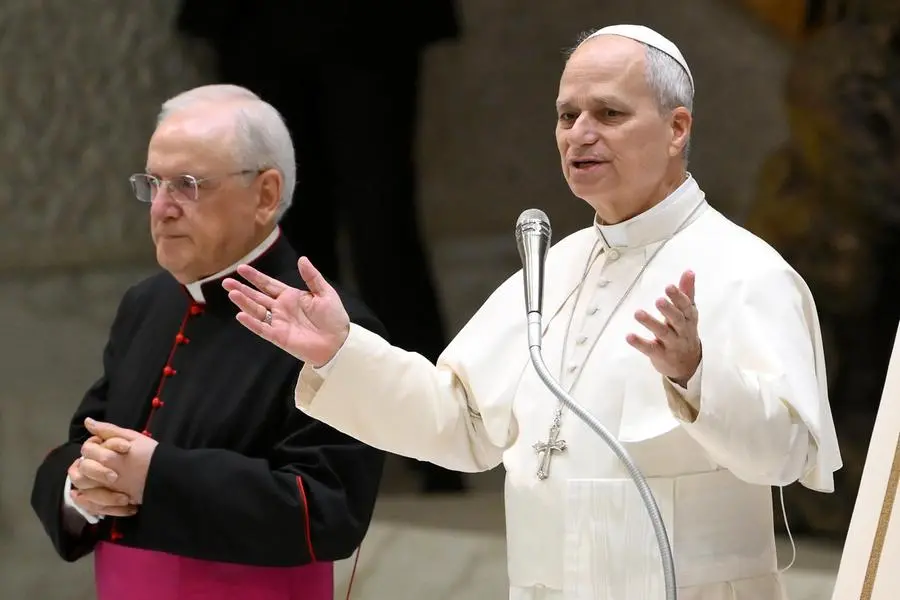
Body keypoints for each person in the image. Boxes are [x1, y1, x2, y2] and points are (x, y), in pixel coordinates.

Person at [223, 25, 843, 600]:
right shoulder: (554, 267)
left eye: (609, 113)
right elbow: (461, 423)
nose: (580, 132)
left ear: (677, 128)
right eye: (567, 115)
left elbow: (788, 453)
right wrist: (342, 352)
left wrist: (697, 374)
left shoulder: (746, 270)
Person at [30, 85, 387, 600]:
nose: (161, 208)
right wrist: (82, 486)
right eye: (153, 183)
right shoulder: (146, 304)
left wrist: (157, 476)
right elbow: (81, 440)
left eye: (187, 185)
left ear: (265, 195)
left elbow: (327, 509)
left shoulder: (331, 327)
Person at [174, 0, 466, 494]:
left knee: (382, 226)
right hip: (260, 25)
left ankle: (431, 435)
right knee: (277, 228)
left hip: (368, 24)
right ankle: (289, 432)